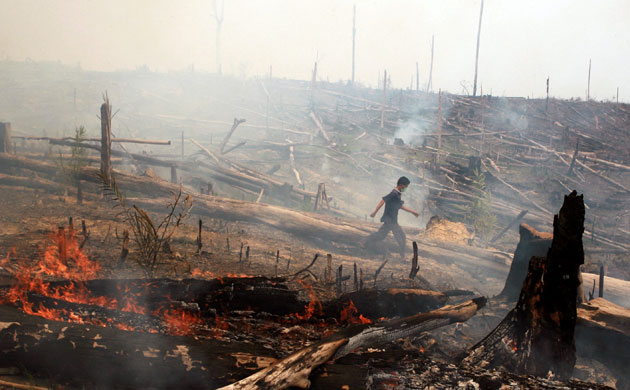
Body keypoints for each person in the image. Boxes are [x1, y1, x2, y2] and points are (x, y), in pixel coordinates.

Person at [364, 176, 419, 258]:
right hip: (390, 220)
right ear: (401, 185)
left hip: (391, 220)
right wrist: (375, 212)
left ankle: (364, 242)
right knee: (401, 237)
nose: (406, 188)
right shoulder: (394, 193)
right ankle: (402, 256)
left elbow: (399, 206)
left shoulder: (397, 194)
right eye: (406, 186)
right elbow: (383, 201)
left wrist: (412, 212)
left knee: (381, 235)